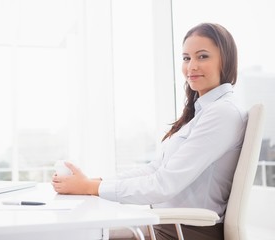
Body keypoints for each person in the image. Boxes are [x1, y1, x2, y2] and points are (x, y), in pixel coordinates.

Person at [52, 23, 248, 240]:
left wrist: (91, 187)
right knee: (81, 232)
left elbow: (163, 185)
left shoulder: (222, 113)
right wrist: (93, 182)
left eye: (202, 57)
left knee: (77, 234)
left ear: (226, 60)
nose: (191, 66)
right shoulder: (204, 111)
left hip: (186, 232)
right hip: (168, 226)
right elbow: (154, 170)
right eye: (186, 58)